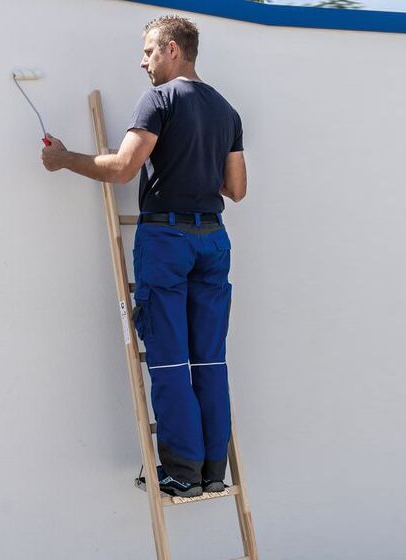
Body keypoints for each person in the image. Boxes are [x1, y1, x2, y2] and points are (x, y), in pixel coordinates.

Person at [40, 15, 247, 498]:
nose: (143, 60)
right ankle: (213, 471)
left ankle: (180, 473)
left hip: (167, 241)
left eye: (149, 50)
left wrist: (66, 158)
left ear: (173, 50)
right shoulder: (226, 110)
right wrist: (196, 170)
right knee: (210, 362)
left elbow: (123, 169)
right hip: (213, 241)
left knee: (171, 361)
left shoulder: (159, 99)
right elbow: (236, 189)